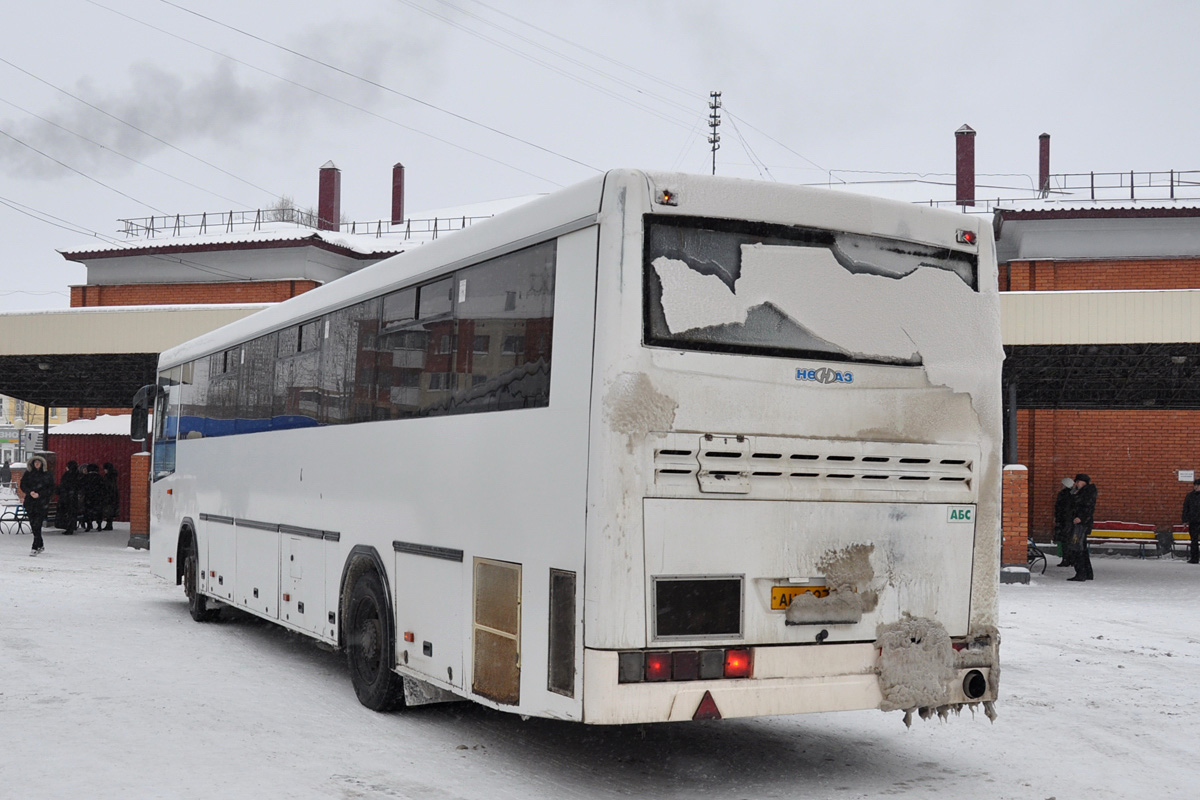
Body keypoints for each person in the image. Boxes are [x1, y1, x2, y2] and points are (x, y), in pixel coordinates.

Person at [20, 455, 55, 556]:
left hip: (41, 503)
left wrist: (40, 494)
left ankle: (35, 546)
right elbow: (23, 484)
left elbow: (51, 488)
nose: (37, 464)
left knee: (37, 524)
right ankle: (40, 544)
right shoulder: (28, 474)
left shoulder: (47, 474)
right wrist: (30, 492)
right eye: (35, 462)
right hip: (30, 502)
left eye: (39, 462)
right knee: (33, 524)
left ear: (42, 464)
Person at [1067, 473, 1098, 582]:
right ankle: (1087, 572)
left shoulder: (1087, 493)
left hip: (1081, 524)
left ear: (1083, 482)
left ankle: (1081, 573)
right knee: (1082, 548)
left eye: (1078, 482)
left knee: (1077, 547)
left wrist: (1081, 517)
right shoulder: (1082, 492)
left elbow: (1088, 507)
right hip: (1081, 522)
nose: (1076, 484)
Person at [1053, 477, 1076, 567]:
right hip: (1069, 521)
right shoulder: (1073, 494)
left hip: (1064, 521)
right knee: (1070, 541)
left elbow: (1059, 508)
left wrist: (1058, 518)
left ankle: (1066, 559)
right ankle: (1071, 559)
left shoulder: (1063, 494)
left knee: (1065, 541)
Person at [56, 461, 82, 534]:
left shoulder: (67, 475)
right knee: (72, 513)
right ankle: (71, 527)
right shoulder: (78, 475)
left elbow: (63, 486)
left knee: (67, 513)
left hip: (66, 497)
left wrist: (58, 490)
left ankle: (68, 528)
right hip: (73, 497)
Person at [79, 464, 106, 532]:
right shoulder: (100, 477)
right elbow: (103, 488)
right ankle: (99, 525)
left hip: (88, 497)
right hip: (98, 497)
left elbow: (82, 487)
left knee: (88, 511)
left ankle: (88, 525)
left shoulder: (86, 477)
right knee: (98, 512)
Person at [1181, 477, 1200, 564]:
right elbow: (1186, 508)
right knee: (1194, 540)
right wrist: (1185, 520)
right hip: (1194, 521)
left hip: (1195, 520)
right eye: (1195, 485)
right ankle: (1194, 558)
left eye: (1198, 485)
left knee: (1194, 540)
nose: (1196, 487)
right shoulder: (1190, 496)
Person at [100, 462, 119, 531]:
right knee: (111, 510)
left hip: (108, 495)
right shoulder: (113, 476)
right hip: (113, 495)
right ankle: (109, 524)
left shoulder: (108, 476)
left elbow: (107, 486)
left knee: (108, 510)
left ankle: (109, 525)